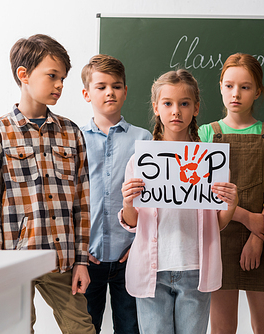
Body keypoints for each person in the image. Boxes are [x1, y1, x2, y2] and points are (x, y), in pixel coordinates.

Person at [0, 34, 95, 334]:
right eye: (52, 76)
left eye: (63, 78)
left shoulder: (71, 133)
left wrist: (82, 261)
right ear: (24, 74)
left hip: (63, 258)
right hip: (14, 261)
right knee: (14, 329)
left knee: (82, 329)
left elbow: (82, 203)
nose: (60, 85)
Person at [119, 69, 239, 334]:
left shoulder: (212, 163)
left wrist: (229, 205)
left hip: (195, 269)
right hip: (153, 270)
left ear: (196, 108)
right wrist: (128, 202)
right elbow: (132, 222)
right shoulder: (140, 161)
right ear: (156, 108)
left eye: (184, 103)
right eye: (168, 103)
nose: (176, 111)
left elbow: (217, 224)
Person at [199, 53, 264, 334]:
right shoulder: (206, 134)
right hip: (219, 240)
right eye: (230, 85)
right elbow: (201, 193)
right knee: (222, 330)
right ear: (220, 86)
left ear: (258, 91)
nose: (236, 94)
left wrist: (258, 236)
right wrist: (248, 219)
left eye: (245, 87)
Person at [80, 54, 152, 333]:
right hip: (88, 257)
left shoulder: (144, 139)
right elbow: (70, 197)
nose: (110, 91)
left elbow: (153, 199)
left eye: (117, 85)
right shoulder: (74, 138)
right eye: (101, 86)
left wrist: (140, 243)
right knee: (87, 326)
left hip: (130, 255)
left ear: (125, 91)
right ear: (87, 94)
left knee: (130, 327)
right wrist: (79, 249)